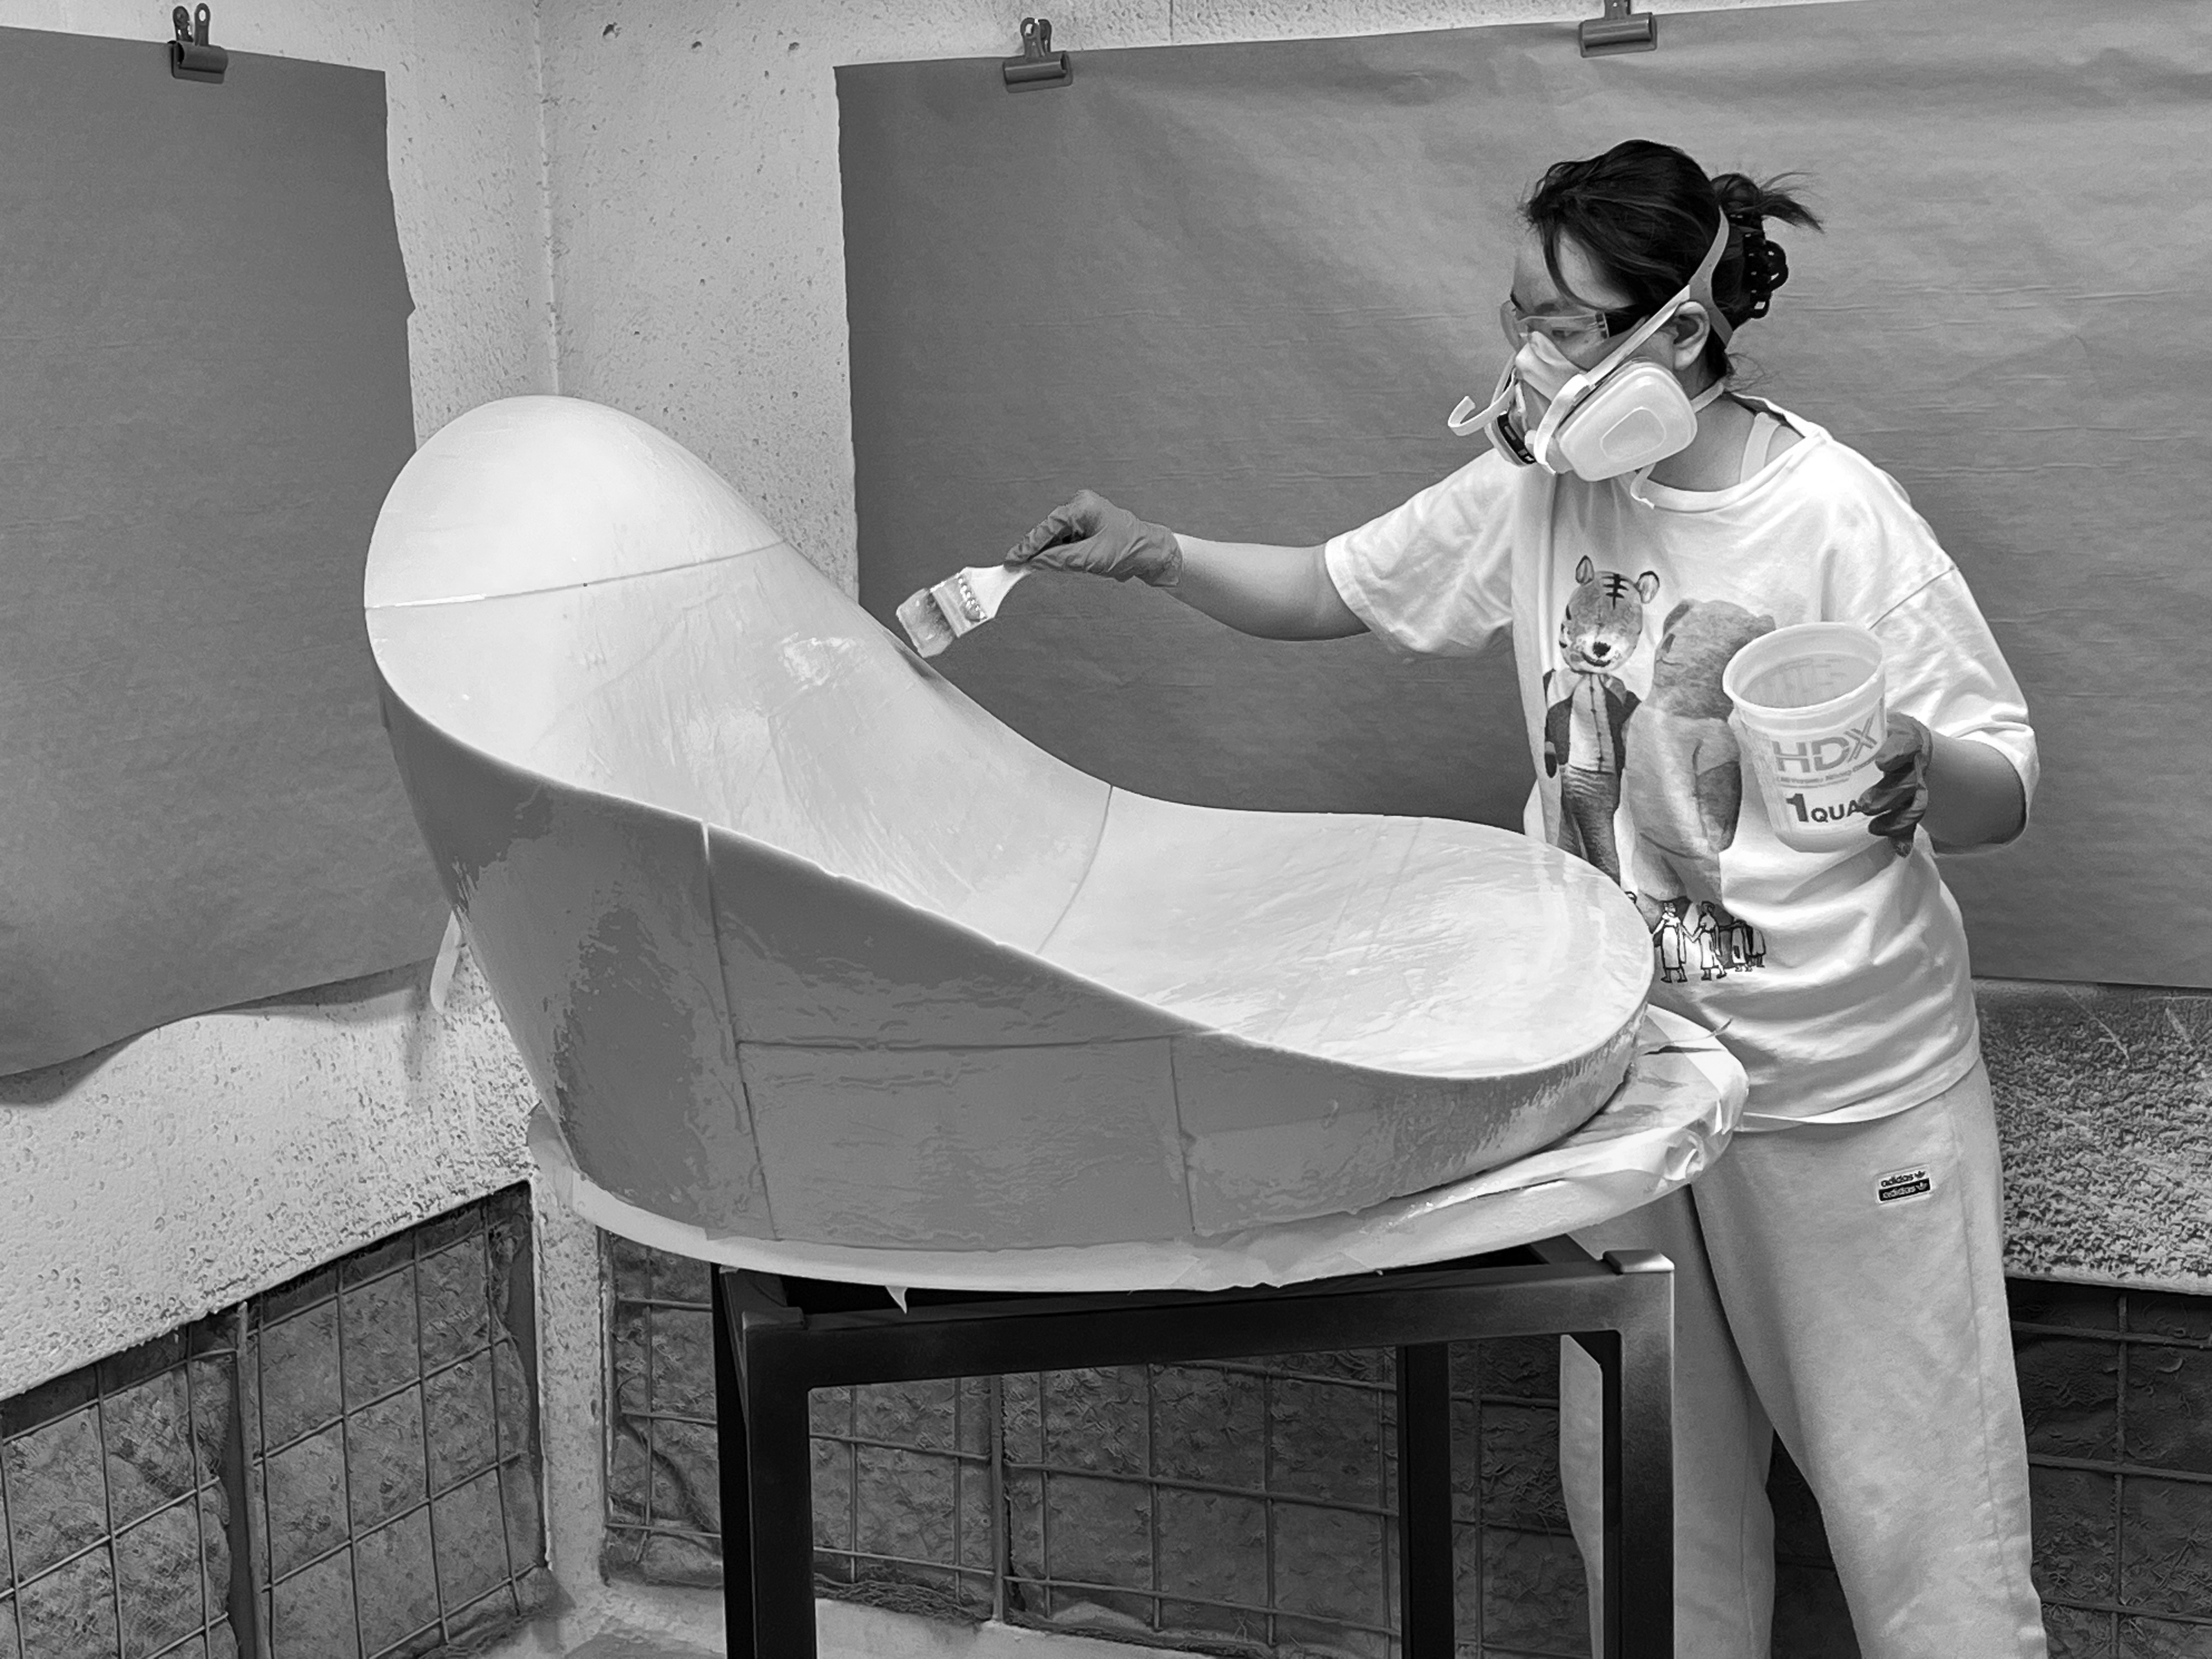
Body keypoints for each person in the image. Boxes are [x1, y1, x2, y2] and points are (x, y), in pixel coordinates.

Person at [1000, 139, 2045, 1658]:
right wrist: (1155, 555)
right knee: (1650, 1517)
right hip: (1628, 1077)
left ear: (1679, 331)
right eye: (1521, 317)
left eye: (1564, 327)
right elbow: (1332, 586)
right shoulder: (1538, 487)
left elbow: (2003, 785)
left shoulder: (1836, 513)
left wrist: (1919, 767)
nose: (1532, 359)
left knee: (1924, 1529)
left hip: (1846, 1095)